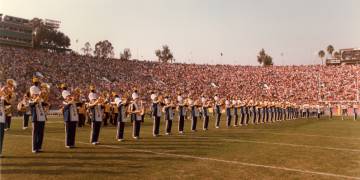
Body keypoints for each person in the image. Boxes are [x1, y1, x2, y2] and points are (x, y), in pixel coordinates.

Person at [29, 77, 47, 153]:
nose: (36, 95)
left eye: (36, 94)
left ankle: (39, 147)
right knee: (35, 133)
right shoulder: (31, 101)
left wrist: (45, 93)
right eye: (34, 94)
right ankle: (34, 147)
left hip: (42, 118)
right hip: (36, 119)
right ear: (32, 95)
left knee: (41, 133)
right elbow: (33, 104)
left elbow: (45, 103)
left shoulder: (40, 100)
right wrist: (39, 96)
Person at [61, 84, 79, 148]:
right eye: (68, 96)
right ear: (65, 97)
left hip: (73, 118)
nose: (69, 96)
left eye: (69, 95)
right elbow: (65, 107)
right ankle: (68, 144)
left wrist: (77, 96)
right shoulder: (64, 102)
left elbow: (79, 104)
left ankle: (72, 143)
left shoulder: (72, 101)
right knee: (68, 132)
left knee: (73, 131)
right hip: (68, 118)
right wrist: (71, 101)